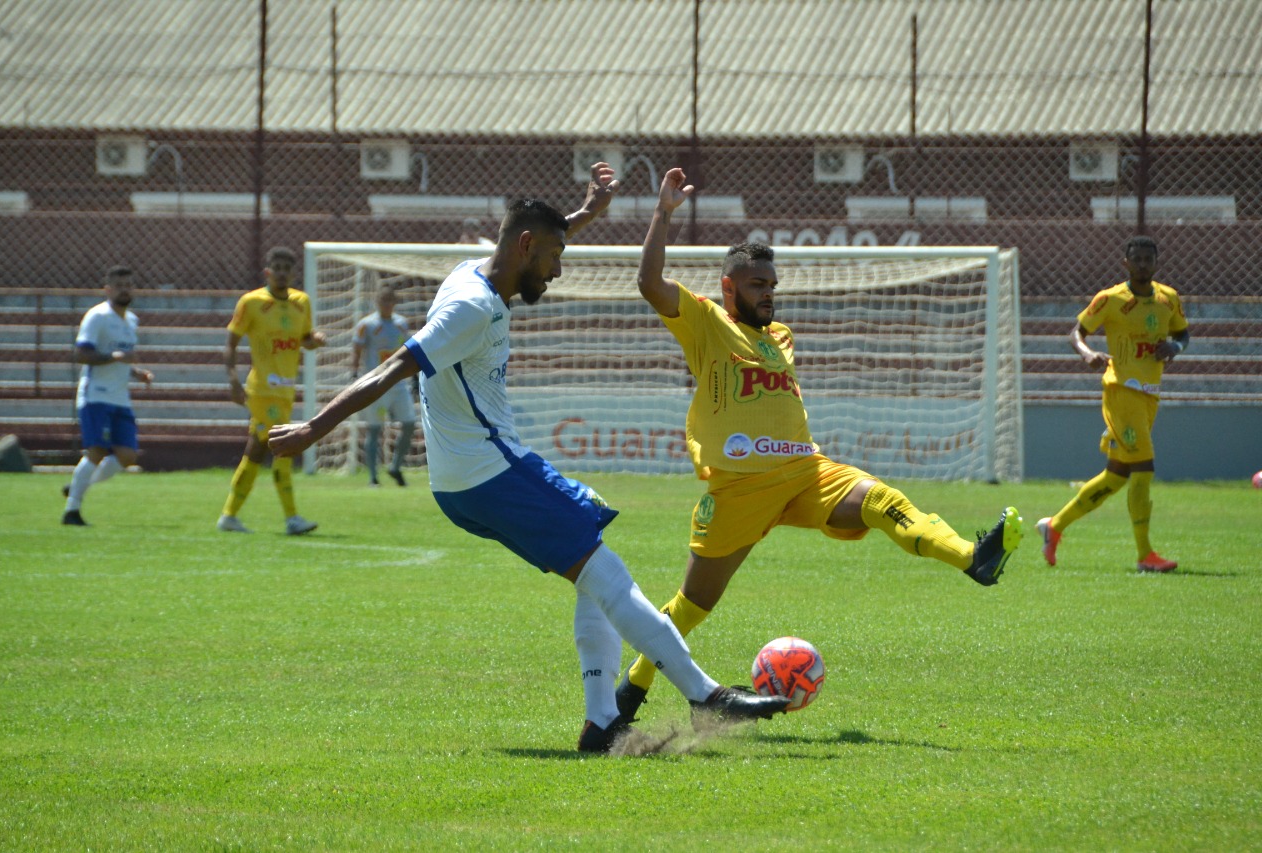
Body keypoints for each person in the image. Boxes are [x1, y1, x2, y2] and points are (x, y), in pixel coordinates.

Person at [267, 163, 791, 753]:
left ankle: (601, 722)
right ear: (524, 248)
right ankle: (705, 695)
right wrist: (313, 428)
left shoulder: (476, 271)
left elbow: (535, 236)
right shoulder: (470, 307)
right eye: (554, 257)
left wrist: (586, 213)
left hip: (469, 477)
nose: (558, 269)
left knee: (592, 562)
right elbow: (395, 367)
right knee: (610, 576)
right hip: (490, 472)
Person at [613, 167, 1024, 718]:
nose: (769, 295)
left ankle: (973, 558)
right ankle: (632, 688)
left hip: (807, 472)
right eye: (758, 285)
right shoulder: (706, 322)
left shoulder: (780, 337)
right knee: (691, 606)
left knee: (883, 501)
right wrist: (662, 215)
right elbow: (649, 284)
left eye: (773, 286)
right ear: (729, 287)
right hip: (739, 490)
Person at [1035, 235, 1189, 573]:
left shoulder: (1169, 299)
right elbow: (1076, 332)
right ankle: (1145, 555)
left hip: (1149, 394)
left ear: (1157, 263)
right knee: (1144, 470)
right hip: (1121, 391)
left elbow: (1183, 334)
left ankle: (1054, 526)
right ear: (1126, 263)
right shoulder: (1110, 299)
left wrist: (1175, 349)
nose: (1143, 264)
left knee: (1116, 476)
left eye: (1149, 258)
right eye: (1137, 259)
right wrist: (1088, 354)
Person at [216, 247, 327, 535]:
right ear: (267, 271)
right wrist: (233, 381)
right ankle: (292, 518)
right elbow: (230, 343)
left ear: (293, 273)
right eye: (275, 267)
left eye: (286, 268)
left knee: (255, 451)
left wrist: (313, 340)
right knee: (282, 449)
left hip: (286, 390)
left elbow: (303, 339)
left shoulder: (302, 302)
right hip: (262, 390)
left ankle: (229, 515)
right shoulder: (251, 302)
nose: (280, 272)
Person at [61, 265, 154, 525]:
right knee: (97, 450)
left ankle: (78, 486)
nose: (125, 289)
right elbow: (82, 354)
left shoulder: (131, 320)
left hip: (120, 397)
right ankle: (72, 511)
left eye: (128, 285)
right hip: (96, 395)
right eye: (119, 285)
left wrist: (136, 372)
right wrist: (116, 357)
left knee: (127, 455)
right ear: (108, 289)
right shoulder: (97, 316)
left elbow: (120, 359)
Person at [353, 284, 417, 486]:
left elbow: (409, 349)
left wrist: (414, 378)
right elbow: (357, 349)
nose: (387, 304)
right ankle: (373, 476)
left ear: (395, 303)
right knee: (374, 429)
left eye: (390, 300)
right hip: (377, 385)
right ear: (376, 301)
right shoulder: (367, 325)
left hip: (398, 385)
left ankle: (395, 467)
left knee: (409, 424)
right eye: (383, 300)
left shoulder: (401, 324)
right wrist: (355, 374)